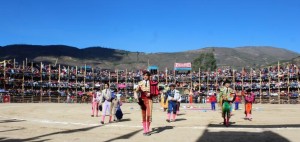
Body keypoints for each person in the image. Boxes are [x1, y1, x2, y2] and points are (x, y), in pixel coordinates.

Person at [135, 71, 158, 136]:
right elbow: (135, 91)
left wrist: (150, 93)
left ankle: (147, 129)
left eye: (146, 75)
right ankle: (145, 130)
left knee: (149, 115)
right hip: (142, 100)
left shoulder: (152, 83)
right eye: (144, 75)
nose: (145, 76)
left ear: (149, 76)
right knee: (143, 115)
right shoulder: (140, 83)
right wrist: (137, 98)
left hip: (149, 100)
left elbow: (156, 92)